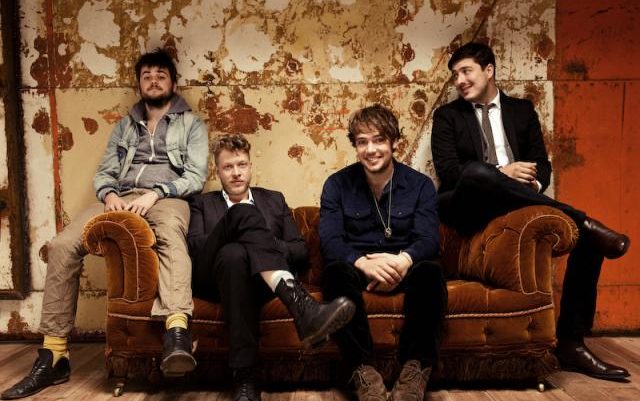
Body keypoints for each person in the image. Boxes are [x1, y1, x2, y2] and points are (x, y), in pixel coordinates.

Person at [1, 49, 209, 400]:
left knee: (171, 235)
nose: (153, 81)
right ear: (139, 84)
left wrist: (156, 194)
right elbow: (105, 171)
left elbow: (195, 175)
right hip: (121, 196)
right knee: (62, 245)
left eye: (161, 75)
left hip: (167, 198)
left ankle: (177, 334)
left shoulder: (192, 124)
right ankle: (54, 354)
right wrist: (109, 194)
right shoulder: (125, 126)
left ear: (173, 83)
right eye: (146, 76)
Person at [431, 41, 631, 381]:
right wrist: (503, 173)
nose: (459, 80)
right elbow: (450, 172)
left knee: (588, 241)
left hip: (515, 202)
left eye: (466, 71)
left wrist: (532, 184)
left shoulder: (522, 111)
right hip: (464, 206)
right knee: (477, 172)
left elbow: (542, 165)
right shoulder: (448, 116)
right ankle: (580, 218)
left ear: (489, 70)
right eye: (455, 75)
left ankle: (571, 342)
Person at [187, 134, 355, 401]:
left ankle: (244, 379)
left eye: (241, 165)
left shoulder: (274, 200)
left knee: (234, 255)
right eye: (228, 167)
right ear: (217, 171)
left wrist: (261, 243)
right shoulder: (201, 203)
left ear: (251, 166)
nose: (236, 173)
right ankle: (303, 307)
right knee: (240, 216)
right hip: (212, 280)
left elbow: (299, 250)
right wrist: (238, 229)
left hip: (260, 281)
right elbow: (196, 248)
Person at [319, 105, 447, 401]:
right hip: (359, 268)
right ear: (355, 146)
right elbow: (330, 240)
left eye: (378, 140)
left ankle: (415, 371)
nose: (371, 149)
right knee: (335, 273)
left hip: (405, 265)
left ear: (394, 142)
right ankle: (363, 372)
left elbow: (429, 238)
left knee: (430, 271)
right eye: (362, 142)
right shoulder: (336, 185)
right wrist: (362, 263)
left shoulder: (420, 185)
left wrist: (402, 261)